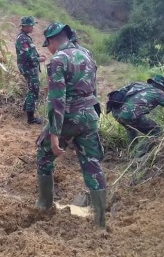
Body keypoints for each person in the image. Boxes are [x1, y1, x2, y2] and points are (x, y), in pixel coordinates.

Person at [35, 22, 107, 228]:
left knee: (44, 153)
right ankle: (100, 222)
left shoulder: (58, 59)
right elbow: (94, 87)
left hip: (69, 117)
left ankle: (44, 203)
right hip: (90, 114)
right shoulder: (87, 54)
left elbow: (57, 99)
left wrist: (55, 133)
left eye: (47, 45)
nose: (48, 49)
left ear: (51, 41)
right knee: (92, 163)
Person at [109, 75, 164, 157]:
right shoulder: (159, 93)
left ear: (151, 81)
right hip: (132, 115)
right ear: (161, 86)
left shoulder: (136, 84)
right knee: (157, 131)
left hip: (116, 113)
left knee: (130, 128)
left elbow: (118, 94)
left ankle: (131, 153)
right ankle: (138, 155)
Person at [15, 16, 46, 124]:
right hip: (28, 68)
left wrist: (38, 56)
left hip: (30, 67)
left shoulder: (25, 37)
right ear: (26, 26)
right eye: (31, 25)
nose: (33, 27)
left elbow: (30, 53)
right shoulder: (22, 39)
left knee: (31, 89)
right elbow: (27, 56)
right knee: (34, 90)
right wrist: (39, 59)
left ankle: (26, 110)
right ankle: (31, 118)